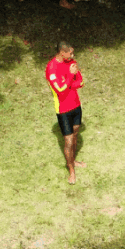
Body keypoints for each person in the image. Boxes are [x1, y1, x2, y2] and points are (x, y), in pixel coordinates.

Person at [45, 41, 85, 185]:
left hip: (76, 105)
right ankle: (71, 171)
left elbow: (80, 82)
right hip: (63, 110)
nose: (73, 56)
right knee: (68, 141)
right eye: (70, 53)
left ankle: (73, 161)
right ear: (62, 53)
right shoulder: (51, 68)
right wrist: (69, 76)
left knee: (75, 135)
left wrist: (71, 81)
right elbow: (60, 90)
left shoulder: (71, 62)